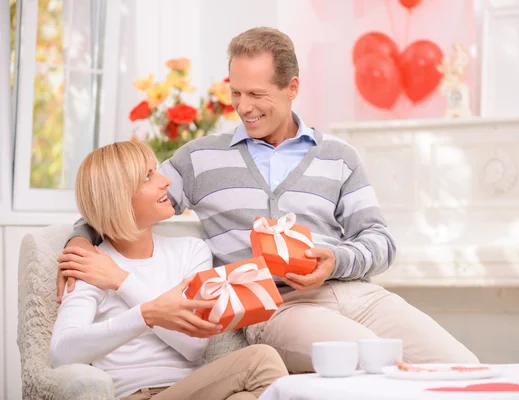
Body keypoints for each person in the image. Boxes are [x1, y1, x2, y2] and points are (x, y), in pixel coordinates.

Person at [58, 27, 478, 373]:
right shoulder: (201, 158)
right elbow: (123, 195)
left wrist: (336, 261)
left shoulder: (339, 157)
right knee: (373, 360)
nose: (243, 107)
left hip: (357, 295)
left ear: (292, 87)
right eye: (236, 93)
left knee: (464, 366)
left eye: (256, 94)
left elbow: (379, 240)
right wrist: (80, 238)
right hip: (277, 309)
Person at [51, 141, 288, 399]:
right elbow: (62, 353)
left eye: (157, 171)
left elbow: (194, 346)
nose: (165, 181)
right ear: (118, 198)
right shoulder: (92, 265)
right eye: (148, 177)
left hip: (194, 389)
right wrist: (146, 314)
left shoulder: (190, 251)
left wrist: (124, 283)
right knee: (261, 359)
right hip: (136, 393)